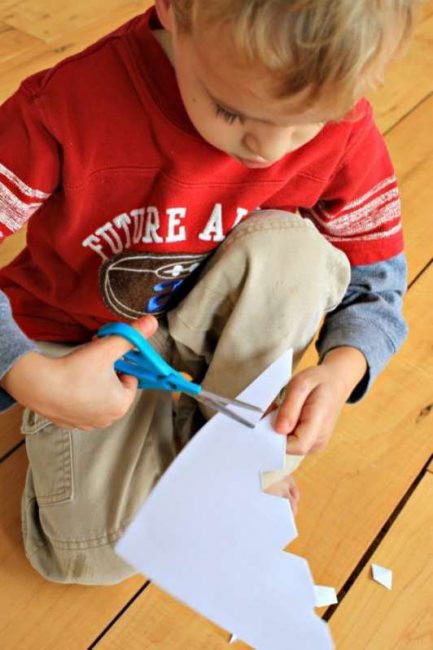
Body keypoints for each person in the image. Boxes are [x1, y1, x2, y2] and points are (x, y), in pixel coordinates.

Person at [0, 0, 416, 584]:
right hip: (82, 342)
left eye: (307, 125)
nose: (269, 151)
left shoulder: (344, 121)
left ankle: (218, 453)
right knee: (91, 555)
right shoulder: (66, 106)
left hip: (217, 323)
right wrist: (25, 373)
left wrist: (345, 366)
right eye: (231, 111)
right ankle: (198, 459)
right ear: (174, 10)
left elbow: (378, 276)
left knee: (293, 256)